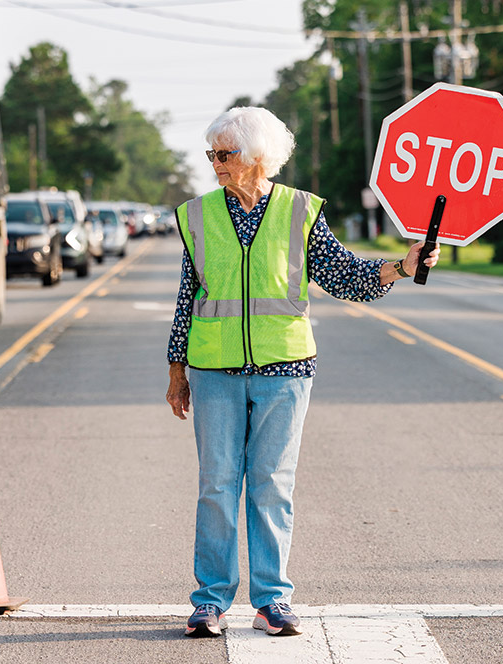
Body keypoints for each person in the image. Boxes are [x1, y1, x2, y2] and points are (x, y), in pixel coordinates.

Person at [165, 107, 439, 639]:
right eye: (211, 155)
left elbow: (345, 276)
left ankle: (272, 600)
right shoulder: (196, 216)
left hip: (285, 369)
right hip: (213, 368)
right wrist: (176, 369)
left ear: (257, 158)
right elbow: (186, 298)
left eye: (224, 154)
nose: (215, 164)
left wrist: (402, 267)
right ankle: (210, 601)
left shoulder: (299, 211)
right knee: (216, 486)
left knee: (271, 485)